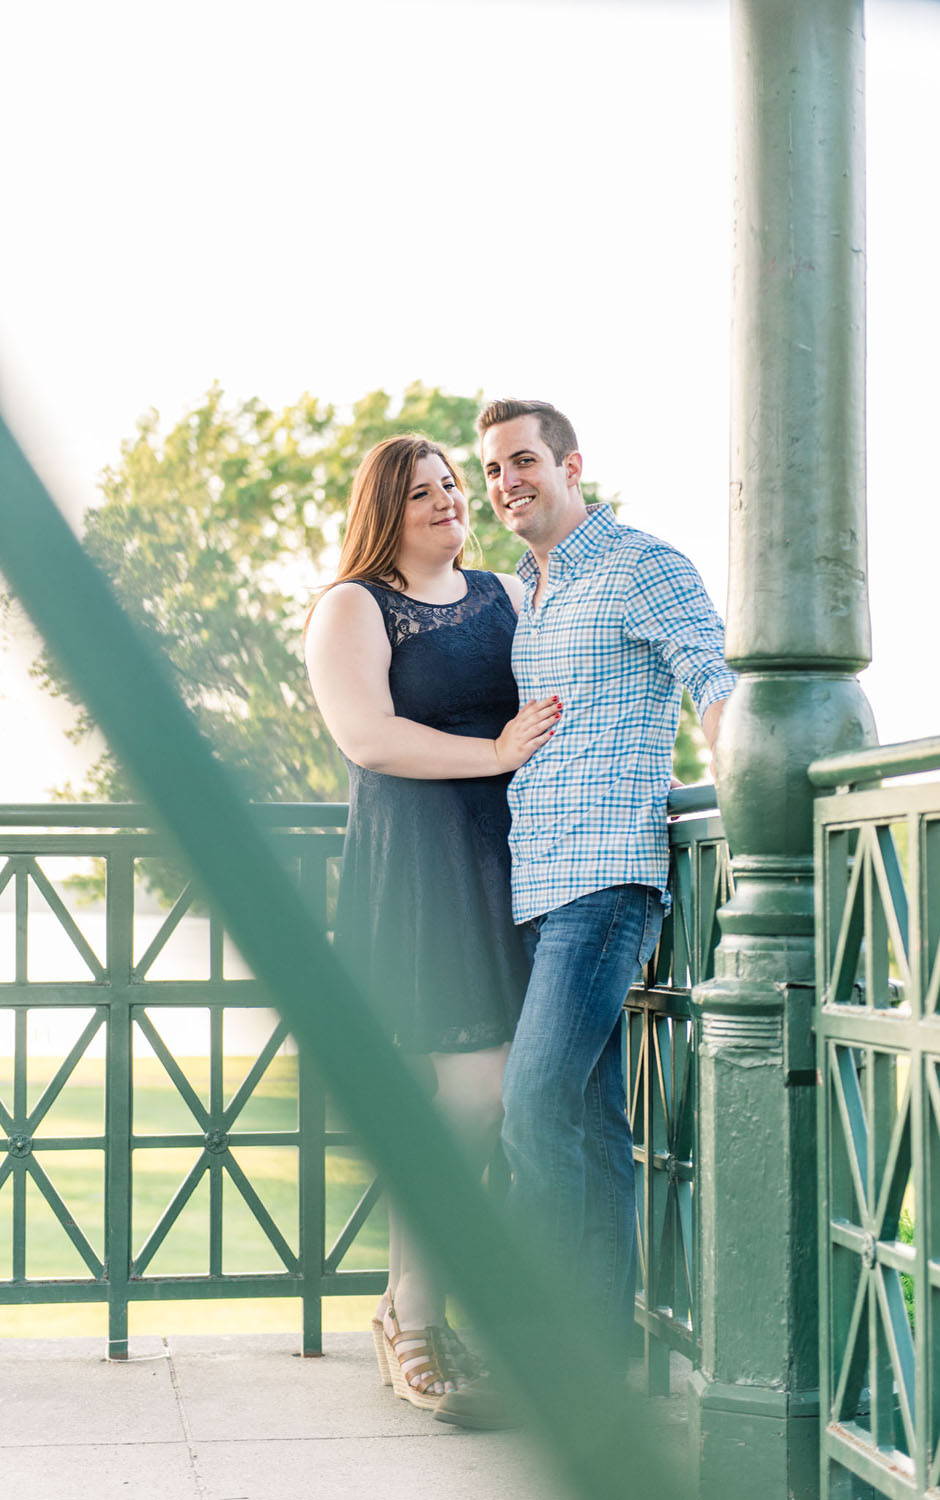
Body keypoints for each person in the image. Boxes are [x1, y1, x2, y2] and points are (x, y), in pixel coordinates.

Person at [434, 399, 736, 1429]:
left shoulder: (641, 564)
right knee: (595, 1131)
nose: (502, 480)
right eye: (489, 469)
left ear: (570, 464)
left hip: (605, 881)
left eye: (522, 460)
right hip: (531, 882)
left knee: (530, 1110)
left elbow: (710, 672)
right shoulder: (520, 588)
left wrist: (743, 764)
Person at [303, 433, 559, 1411]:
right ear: (385, 510)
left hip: (517, 860)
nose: (450, 502)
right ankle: (412, 1311)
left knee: (509, 1096)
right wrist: (494, 752)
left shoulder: (505, 592)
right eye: (423, 493)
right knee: (476, 1091)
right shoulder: (353, 607)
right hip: (420, 867)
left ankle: (434, 1304)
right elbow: (366, 737)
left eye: (454, 486)